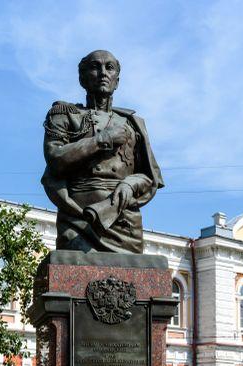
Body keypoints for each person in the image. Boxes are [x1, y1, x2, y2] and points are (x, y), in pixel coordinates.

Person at [42, 50, 165, 254]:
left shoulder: (133, 124)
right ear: (82, 78)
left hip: (124, 219)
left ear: (117, 80)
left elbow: (149, 177)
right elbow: (55, 159)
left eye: (109, 67)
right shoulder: (64, 115)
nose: (102, 73)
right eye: (94, 67)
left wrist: (130, 183)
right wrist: (103, 139)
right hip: (77, 218)